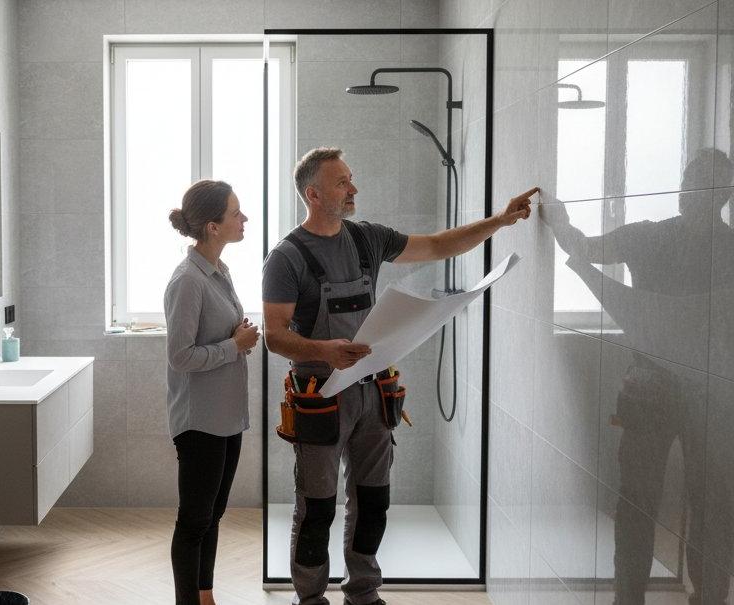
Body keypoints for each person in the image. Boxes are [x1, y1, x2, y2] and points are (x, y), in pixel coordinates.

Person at [261, 147, 537, 605]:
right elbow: (274, 336)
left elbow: (438, 245)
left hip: (374, 393)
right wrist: (324, 350)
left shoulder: (367, 239)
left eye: (350, 178)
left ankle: (363, 594)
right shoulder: (286, 258)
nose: (353, 188)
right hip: (320, 396)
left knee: (373, 501)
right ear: (313, 194)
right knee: (317, 508)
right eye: (341, 183)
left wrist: (500, 221)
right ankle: (309, 599)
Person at [541, 148, 734, 605]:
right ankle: (663, 598)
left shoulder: (655, 238)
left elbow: (584, 248)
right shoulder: (663, 238)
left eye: (699, 184)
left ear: (721, 195)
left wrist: (560, 222)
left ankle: (644, 599)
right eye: (688, 181)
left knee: (674, 504)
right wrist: (558, 220)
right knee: (681, 503)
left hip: (675, 387)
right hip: (693, 389)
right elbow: (585, 248)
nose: (689, 191)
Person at [164, 179, 261, 605]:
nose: (244, 219)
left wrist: (236, 338)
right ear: (212, 227)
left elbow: (217, 337)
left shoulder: (219, 271)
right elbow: (180, 356)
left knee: (213, 514)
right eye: (236, 213)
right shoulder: (188, 281)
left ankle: (205, 597)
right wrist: (234, 346)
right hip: (200, 421)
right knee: (194, 521)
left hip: (225, 416)